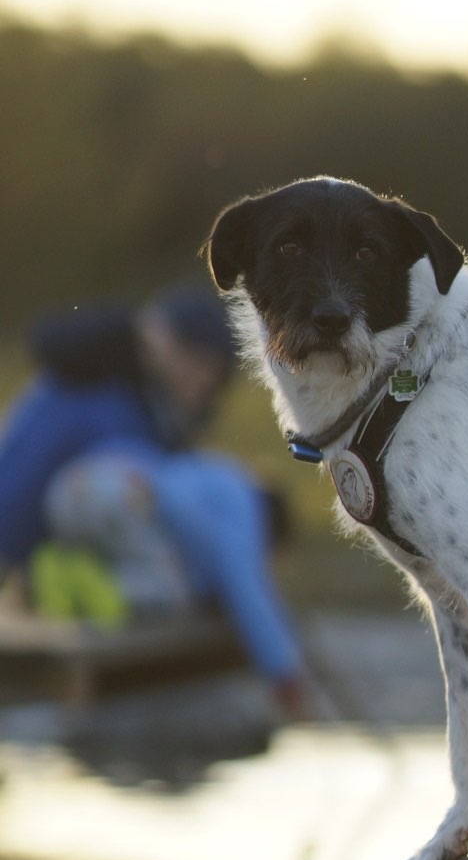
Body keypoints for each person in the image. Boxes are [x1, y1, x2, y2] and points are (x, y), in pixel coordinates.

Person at [0, 284, 314, 719]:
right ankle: (87, 587)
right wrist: (282, 666)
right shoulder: (110, 402)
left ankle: (57, 580)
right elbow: (218, 552)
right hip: (30, 524)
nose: (206, 389)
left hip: (55, 514)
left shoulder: (106, 382)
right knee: (166, 586)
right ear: (169, 350)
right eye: (205, 371)